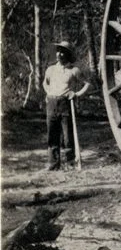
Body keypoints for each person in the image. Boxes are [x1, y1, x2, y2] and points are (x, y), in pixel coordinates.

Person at [43, 41, 90, 170]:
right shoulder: (50, 69)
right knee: (52, 135)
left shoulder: (74, 70)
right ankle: (53, 164)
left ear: (68, 54)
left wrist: (77, 94)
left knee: (67, 136)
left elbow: (87, 84)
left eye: (63, 52)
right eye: (58, 51)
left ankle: (70, 163)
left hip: (66, 104)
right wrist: (48, 93)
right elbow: (45, 83)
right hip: (52, 103)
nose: (60, 54)